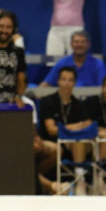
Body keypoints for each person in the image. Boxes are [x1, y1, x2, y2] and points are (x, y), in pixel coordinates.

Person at [38, 66, 93, 194]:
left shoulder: (79, 104)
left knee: (81, 141)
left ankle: (84, 181)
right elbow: (51, 130)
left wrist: (69, 129)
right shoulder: (48, 101)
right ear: (58, 81)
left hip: (74, 143)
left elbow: (88, 124)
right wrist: (73, 127)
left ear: (74, 83)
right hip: (53, 141)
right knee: (74, 141)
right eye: (64, 79)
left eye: (70, 80)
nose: (66, 83)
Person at [0, 11, 27, 105]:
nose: (4, 30)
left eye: (8, 27)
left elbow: (21, 78)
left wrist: (18, 96)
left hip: (10, 103)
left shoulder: (18, 51)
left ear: (13, 30)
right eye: (1, 26)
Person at [40, 30, 106, 87]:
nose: (79, 45)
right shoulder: (62, 63)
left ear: (88, 45)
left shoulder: (98, 65)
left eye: (83, 42)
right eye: (76, 42)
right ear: (71, 44)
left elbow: (104, 88)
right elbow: (46, 84)